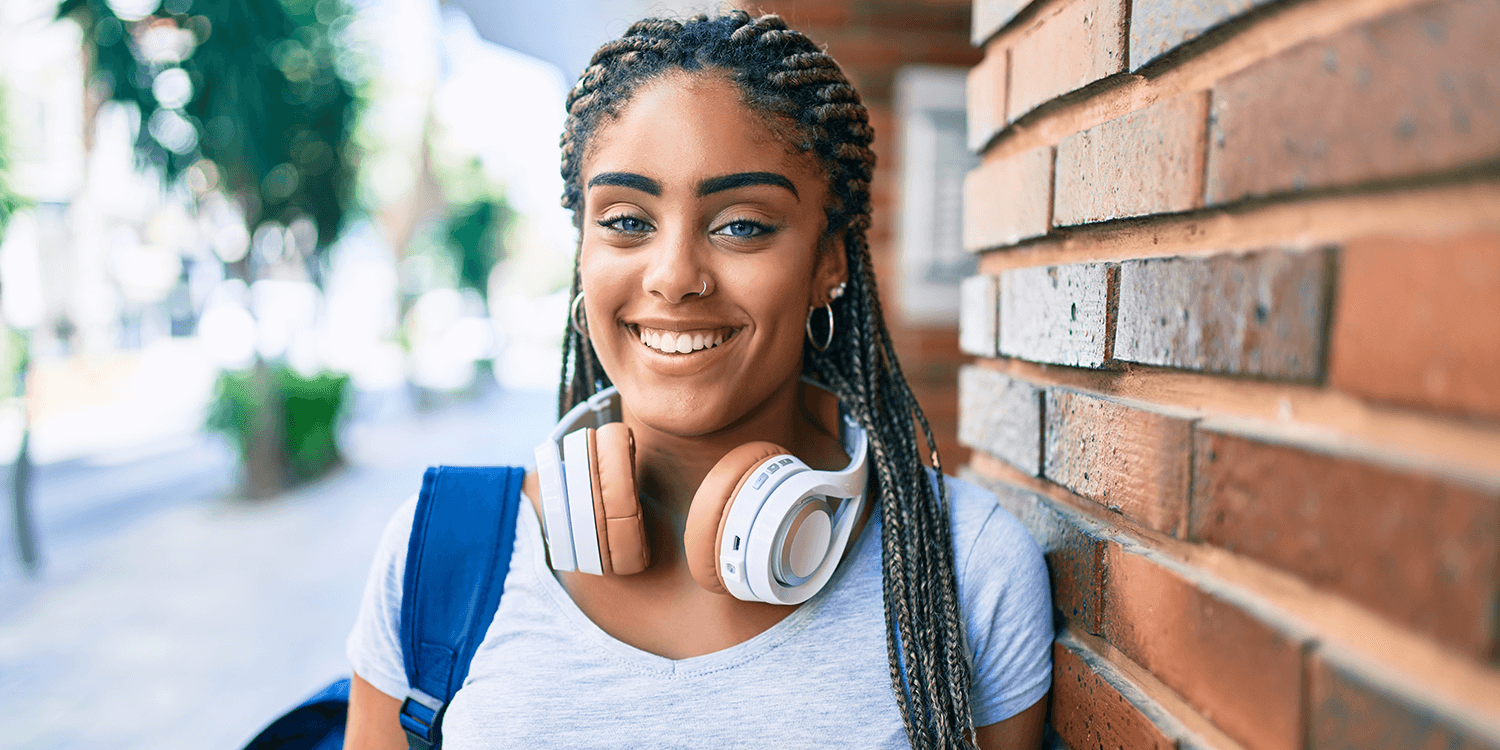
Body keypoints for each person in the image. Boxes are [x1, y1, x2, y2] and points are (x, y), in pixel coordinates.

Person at [344, 11, 1051, 749]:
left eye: (742, 224)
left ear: (828, 263)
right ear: (583, 252)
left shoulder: (969, 568)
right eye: (626, 220)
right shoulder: (440, 553)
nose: (675, 276)